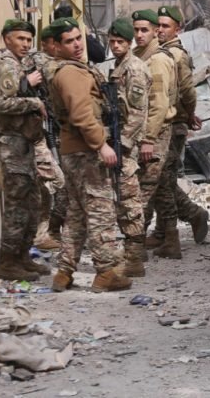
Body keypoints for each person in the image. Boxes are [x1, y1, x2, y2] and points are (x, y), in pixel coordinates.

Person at [47, 17, 131, 292]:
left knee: (76, 213)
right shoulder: (70, 73)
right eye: (69, 41)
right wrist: (101, 145)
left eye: (78, 38)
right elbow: (81, 114)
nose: (77, 45)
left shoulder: (71, 69)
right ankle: (106, 272)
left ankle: (64, 271)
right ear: (57, 46)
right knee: (100, 210)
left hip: (75, 150)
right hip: (85, 151)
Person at [0, 19, 50, 281]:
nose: (25, 44)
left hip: (23, 140)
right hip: (11, 142)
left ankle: (22, 256)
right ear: (6, 38)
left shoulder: (20, 64)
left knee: (32, 201)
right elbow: (4, 104)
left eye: (28, 39)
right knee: (16, 203)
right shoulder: (6, 65)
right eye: (20, 38)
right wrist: (34, 102)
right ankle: (8, 262)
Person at [151, 5, 210, 257]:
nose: (160, 30)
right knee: (163, 179)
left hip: (173, 124)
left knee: (161, 180)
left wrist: (188, 115)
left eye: (166, 26)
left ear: (178, 28)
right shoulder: (160, 52)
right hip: (167, 123)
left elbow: (187, 90)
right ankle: (162, 231)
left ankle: (193, 214)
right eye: (158, 25)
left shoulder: (177, 55)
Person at [130, 9, 183, 259]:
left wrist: (149, 139)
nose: (139, 35)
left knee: (143, 191)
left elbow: (159, 105)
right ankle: (171, 240)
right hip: (145, 133)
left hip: (156, 133)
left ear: (154, 32)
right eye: (136, 30)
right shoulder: (139, 56)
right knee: (161, 188)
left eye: (145, 30)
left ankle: (135, 248)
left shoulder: (157, 60)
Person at [106, 18, 151, 276]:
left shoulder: (133, 69)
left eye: (120, 42)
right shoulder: (119, 66)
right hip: (119, 141)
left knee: (130, 200)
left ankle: (134, 257)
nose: (115, 46)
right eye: (112, 42)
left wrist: (121, 145)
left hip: (126, 145)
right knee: (123, 198)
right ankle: (131, 254)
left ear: (129, 42)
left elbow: (137, 113)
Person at [24, 25, 66, 252]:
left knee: (46, 186)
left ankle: (42, 234)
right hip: (29, 137)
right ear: (48, 44)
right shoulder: (42, 62)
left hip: (40, 134)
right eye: (58, 43)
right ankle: (40, 234)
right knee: (56, 182)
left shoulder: (38, 63)